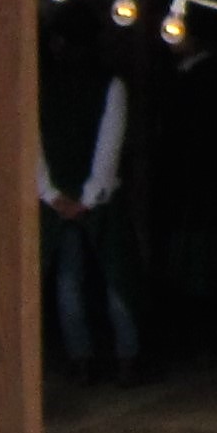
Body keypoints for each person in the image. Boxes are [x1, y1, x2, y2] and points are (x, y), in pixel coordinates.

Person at [39, 20, 142, 383]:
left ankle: (108, 358)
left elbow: (107, 142)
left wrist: (56, 194)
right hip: (81, 197)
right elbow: (108, 145)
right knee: (88, 281)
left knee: (100, 280)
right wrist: (77, 195)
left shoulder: (105, 85)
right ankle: (104, 359)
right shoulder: (105, 85)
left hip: (73, 197)